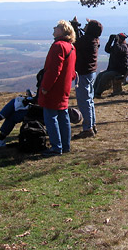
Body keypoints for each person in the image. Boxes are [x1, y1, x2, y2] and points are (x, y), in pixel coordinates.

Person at [38, 20, 77, 156]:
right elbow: (71, 71)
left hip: (54, 87)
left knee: (51, 117)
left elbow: (54, 70)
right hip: (64, 87)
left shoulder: (58, 46)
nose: (54, 28)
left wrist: (45, 87)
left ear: (63, 31)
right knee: (63, 116)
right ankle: (65, 145)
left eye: (57, 27)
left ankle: (56, 147)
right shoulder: (71, 47)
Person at [70, 17, 103, 139]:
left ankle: (88, 128)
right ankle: (91, 125)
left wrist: (74, 26)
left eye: (87, 25)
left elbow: (74, 42)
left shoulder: (87, 40)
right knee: (89, 100)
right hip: (90, 73)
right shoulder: (93, 40)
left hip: (83, 73)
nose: (85, 26)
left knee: (84, 101)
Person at [94, 32, 128, 98]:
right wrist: (110, 40)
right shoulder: (117, 46)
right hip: (113, 69)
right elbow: (107, 49)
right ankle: (93, 92)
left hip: (119, 71)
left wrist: (116, 42)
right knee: (100, 75)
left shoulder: (124, 47)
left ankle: (98, 93)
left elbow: (118, 50)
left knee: (105, 76)